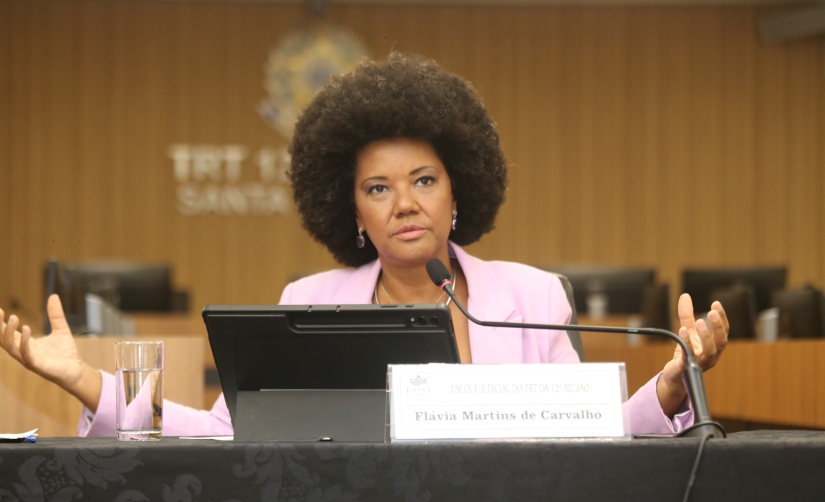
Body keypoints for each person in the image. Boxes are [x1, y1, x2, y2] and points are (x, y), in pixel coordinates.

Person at [0, 53, 729, 437]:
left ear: (457, 191)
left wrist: (669, 386)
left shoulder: (533, 295)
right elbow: (226, 433)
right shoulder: (306, 304)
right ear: (351, 210)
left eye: (422, 180)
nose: (404, 203)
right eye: (377, 188)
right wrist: (84, 382)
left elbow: (589, 428)